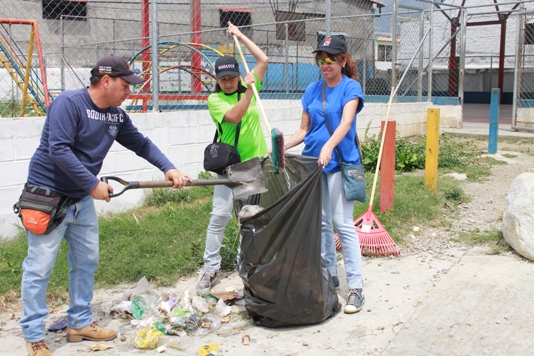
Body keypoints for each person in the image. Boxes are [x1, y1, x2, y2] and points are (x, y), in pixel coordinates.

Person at [19, 55, 191, 356]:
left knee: (87, 261)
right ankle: (34, 336)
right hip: (48, 197)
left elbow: (141, 144)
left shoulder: (116, 116)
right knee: (39, 267)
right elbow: (58, 150)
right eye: (125, 86)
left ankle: (79, 324)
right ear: (106, 81)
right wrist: (92, 184)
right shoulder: (68, 104)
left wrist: (169, 168)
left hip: (80, 199)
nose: (130, 93)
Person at [284, 36, 365, 314]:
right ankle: (329, 277)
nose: (325, 64)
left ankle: (355, 288)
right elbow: (303, 131)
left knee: (342, 223)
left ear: (343, 60)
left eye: (331, 59)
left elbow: (346, 123)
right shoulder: (311, 90)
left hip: (341, 163)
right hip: (313, 164)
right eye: (321, 58)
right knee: (320, 223)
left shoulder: (351, 88)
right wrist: (281, 147)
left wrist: (330, 146)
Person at [196, 23, 268, 295]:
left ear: (238, 75)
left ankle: (245, 264)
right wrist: (249, 89)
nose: (228, 82)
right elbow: (236, 115)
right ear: (217, 79)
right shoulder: (214, 99)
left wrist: (240, 36)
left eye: (232, 77)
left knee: (248, 217)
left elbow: (263, 59)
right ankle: (210, 268)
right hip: (228, 167)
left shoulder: (248, 83)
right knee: (220, 215)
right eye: (223, 78)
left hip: (252, 164)